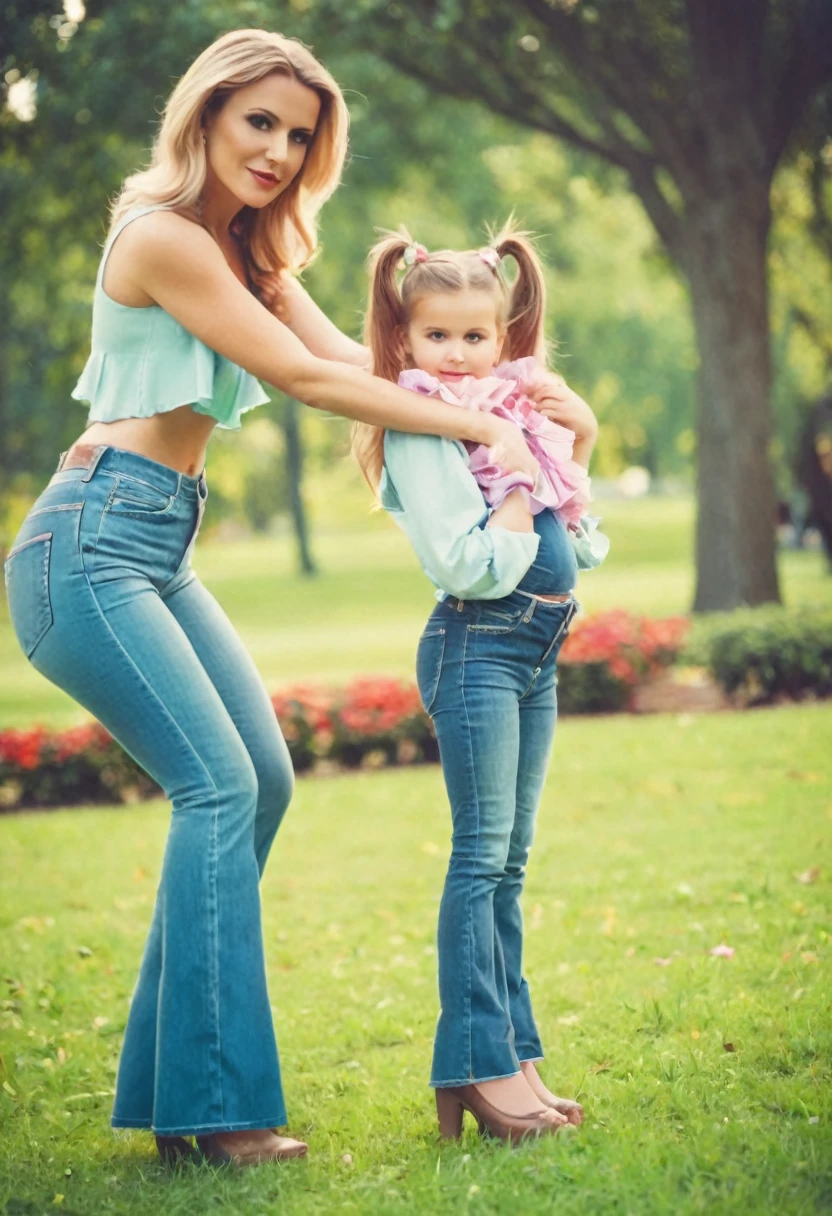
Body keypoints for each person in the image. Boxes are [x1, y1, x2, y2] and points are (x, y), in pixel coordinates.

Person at [2, 30, 545, 1169]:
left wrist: (490, 388)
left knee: (263, 780)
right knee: (218, 786)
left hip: (156, 540)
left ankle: (172, 1088)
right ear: (203, 114)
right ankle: (211, 1109)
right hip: (87, 542)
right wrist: (476, 423)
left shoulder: (251, 256)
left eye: (300, 135)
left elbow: (354, 360)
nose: (279, 150)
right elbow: (303, 383)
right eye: (260, 121)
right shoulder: (160, 237)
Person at [354, 225, 602, 1142]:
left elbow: (576, 543)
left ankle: (514, 1055)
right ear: (406, 341)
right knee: (479, 858)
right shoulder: (426, 426)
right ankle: (473, 1065)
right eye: (438, 338)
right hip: (476, 648)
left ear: (505, 339)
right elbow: (468, 561)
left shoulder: (511, 416)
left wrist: (572, 437)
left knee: (511, 865)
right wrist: (514, 483)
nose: (458, 357)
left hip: (533, 650)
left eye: (476, 338)